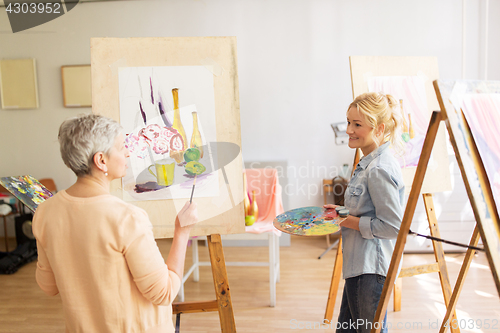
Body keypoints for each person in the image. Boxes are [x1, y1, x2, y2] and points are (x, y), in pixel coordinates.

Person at [33, 114, 198, 333]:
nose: (128, 152)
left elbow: (48, 287)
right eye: (121, 147)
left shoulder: (44, 212)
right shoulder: (127, 218)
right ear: (101, 160)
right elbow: (164, 292)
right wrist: (182, 232)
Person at [325, 92, 405, 333]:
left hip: (370, 270)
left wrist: (346, 220)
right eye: (348, 122)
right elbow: (367, 207)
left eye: (357, 124)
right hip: (359, 266)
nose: (349, 129)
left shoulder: (379, 169)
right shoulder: (367, 163)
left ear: (379, 129)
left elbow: (392, 226)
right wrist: (340, 212)